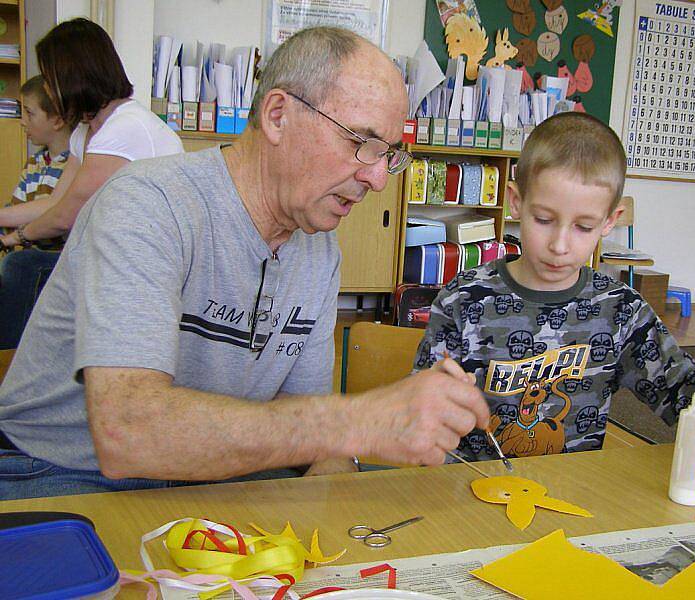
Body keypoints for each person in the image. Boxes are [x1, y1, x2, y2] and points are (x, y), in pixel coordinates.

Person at [0, 26, 489, 500]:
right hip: (60, 472)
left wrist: (339, 469)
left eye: (389, 155)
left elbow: (305, 423)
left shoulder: (319, 252)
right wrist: (362, 422)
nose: (378, 178)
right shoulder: (148, 204)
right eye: (360, 142)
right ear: (277, 115)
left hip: (213, 479)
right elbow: (129, 431)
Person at [413, 112, 695, 462]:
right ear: (516, 201)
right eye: (543, 220)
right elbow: (421, 410)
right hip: (471, 488)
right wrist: (433, 400)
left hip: (573, 495)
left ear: (609, 222)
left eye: (583, 227)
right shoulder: (464, 298)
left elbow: (691, 413)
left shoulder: (620, 310)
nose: (560, 245)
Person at [0, 18, 183, 252]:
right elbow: (57, 204)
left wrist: (14, 238)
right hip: (124, 247)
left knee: (23, 266)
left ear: (71, 78)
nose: (46, 89)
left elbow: (65, 217)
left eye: (48, 80)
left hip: (154, 253)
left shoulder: (124, 127)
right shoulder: (85, 130)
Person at [0, 75, 71, 349]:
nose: (22, 122)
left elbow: (55, 215)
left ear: (57, 120)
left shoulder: (75, 165)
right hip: (27, 246)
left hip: (55, 255)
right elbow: (16, 211)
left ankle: (7, 358)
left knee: (18, 265)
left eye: (29, 113)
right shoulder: (35, 164)